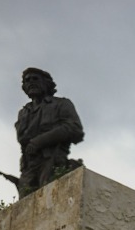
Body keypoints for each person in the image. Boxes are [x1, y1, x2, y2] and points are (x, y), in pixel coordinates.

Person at [16, 67, 84, 198]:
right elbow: (21, 138)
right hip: (28, 165)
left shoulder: (61, 104)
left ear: (46, 83)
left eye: (35, 79)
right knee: (24, 203)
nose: (31, 82)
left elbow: (74, 128)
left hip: (52, 160)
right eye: (27, 80)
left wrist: (40, 141)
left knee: (50, 198)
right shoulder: (23, 113)